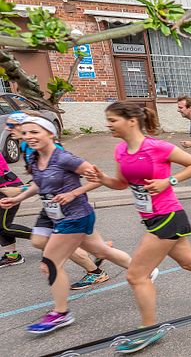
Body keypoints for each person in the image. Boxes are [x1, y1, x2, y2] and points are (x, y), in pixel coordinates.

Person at [84, 102, 191, 352]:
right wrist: (103, 179)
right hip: (152, 217)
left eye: (113, 120)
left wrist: (168, 181)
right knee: (189, 262)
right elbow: (122, 183)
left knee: (136, 275)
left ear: (131, 121)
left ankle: (149, 328)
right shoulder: (121, 151)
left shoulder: (156, 147)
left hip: (167, 216)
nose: (108, 124)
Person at [0, 116, 139, 334]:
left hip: (75, 216)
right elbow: (39, 183)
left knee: (50, 264)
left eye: (34, 132)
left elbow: (97, 179)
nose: (29, 137)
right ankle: (142, 272)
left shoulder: (65, 158)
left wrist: (73, 192)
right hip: (57, 215)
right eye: (26, 133)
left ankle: (60, 314)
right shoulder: (36, 158)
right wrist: (17, 199)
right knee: (101, 250)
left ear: (50, 133)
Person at [3, 112, 113, 289]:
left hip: (66, 205)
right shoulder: (27, 147)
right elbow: (40, 180)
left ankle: (95, 269)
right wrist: (19, 197)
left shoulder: (54, 150)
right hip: (52, 204)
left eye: (11, 126)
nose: (7, 130)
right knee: (42, 241)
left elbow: (56, 176)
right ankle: (99, 252)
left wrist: (20, 190)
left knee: (53, 247)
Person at [0, 131, 30, 268]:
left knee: (5, 226)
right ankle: (12, 256)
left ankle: (46, 237)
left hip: (7, 189)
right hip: (5, 187)